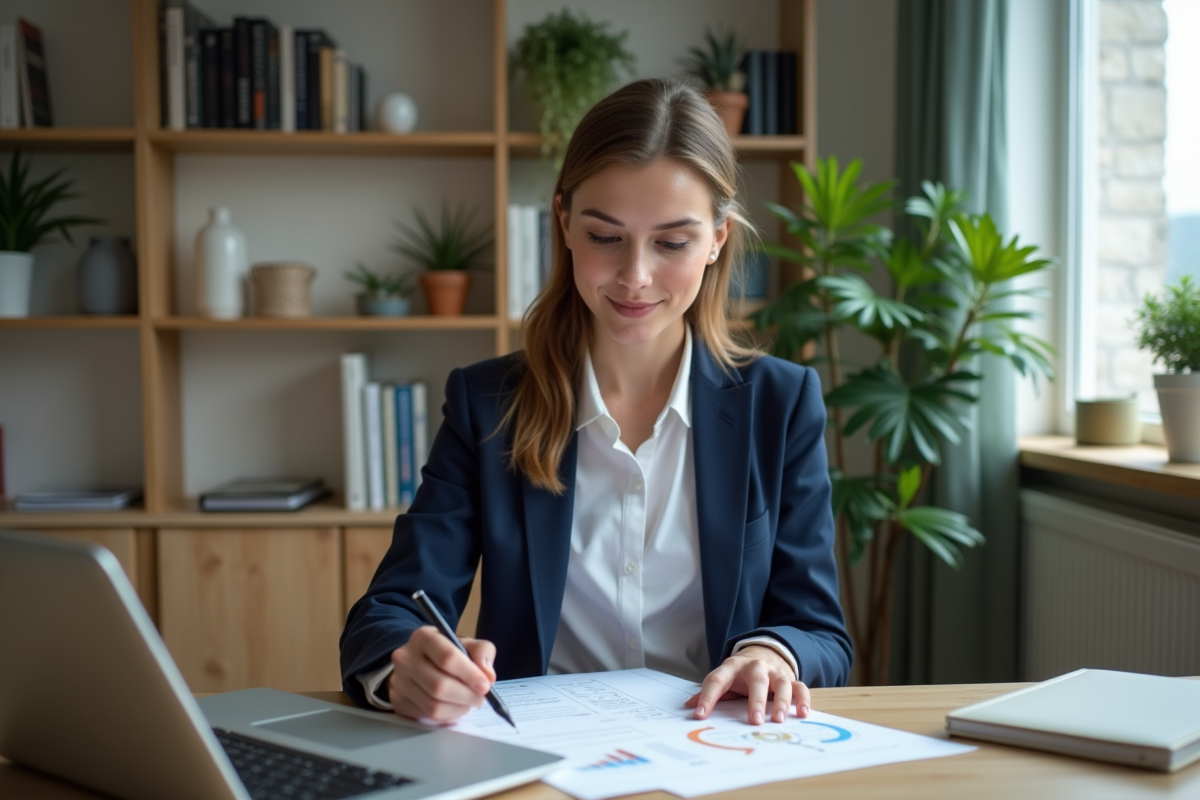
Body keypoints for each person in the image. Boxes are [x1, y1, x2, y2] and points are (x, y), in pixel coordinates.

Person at [340, 78, 852, 728]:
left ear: (719, 238)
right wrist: (403, 669)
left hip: (719, 758)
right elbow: (386, 612)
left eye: (672, 242)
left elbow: (821, 634)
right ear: (564, 224)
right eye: (606, 236)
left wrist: (774, 653)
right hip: (541, 762)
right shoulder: (487, 404)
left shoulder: (781, 404)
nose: (634, 276)